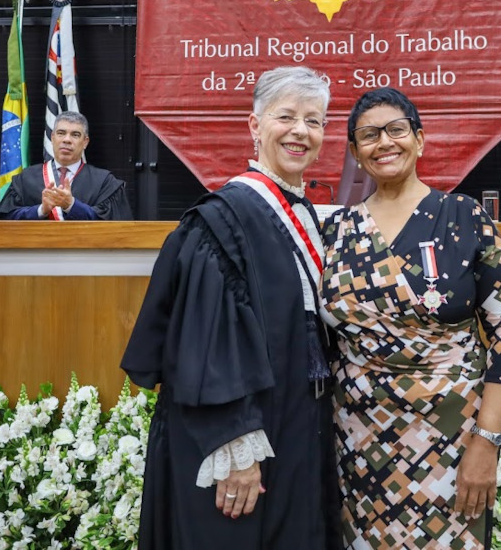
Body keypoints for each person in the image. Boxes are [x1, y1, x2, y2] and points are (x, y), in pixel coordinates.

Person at [120, 66, 341, 549]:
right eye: (286, 116)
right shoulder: (224, 221)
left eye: (315, 121)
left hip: (296, 424)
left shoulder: (303, 212)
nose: (301, 131)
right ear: (255, 125)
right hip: (242, 436)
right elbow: (207, 345)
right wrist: (236, 446)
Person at [319, 88, 501, 549]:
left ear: (420, 139)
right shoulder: (335, 231)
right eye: (368, 135)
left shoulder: (466, 218)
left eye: (396, 130)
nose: (384, 142)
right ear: (354, 151)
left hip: (453, 436)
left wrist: (486, 441)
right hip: (359, 439)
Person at [0, 111, 132, 220]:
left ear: (85, 142)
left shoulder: (104, 182)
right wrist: (41, 210)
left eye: (75, 135)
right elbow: (5, 219)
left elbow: (115, 225)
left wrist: (72, 206)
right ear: (52, 137)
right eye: (61, 133)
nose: (67, 140)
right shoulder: (26, 178)